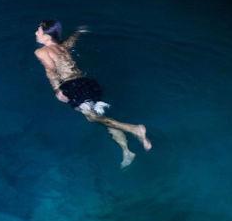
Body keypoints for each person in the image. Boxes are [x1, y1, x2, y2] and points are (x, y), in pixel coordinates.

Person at [34, 20, 151, 168]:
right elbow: (72, 40)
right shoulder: (62, 47)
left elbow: (50, 71)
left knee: (91, 117)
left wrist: (57, 89)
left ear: (47, 37)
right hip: (86, 82)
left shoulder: (41, 52)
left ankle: (135, 129)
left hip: (72, 86)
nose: (36, 33)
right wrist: (80, 31)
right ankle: (127, 151)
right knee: (100, 117)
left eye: (38, 31)